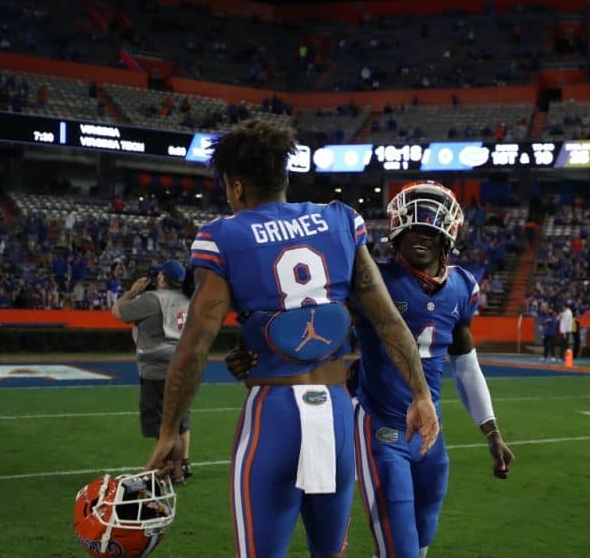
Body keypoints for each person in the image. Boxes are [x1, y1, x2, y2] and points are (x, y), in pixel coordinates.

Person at [143, 120, 439, 558]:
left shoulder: (223, 236)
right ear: (285, 176)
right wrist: (421, 394)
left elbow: (194, 346)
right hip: (336, 411)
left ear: (237, 187)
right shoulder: (340, 220)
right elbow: (388, 320)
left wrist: (170, 431)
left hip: (275, 413)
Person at [229, 180, 514, 558]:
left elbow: (466, 365)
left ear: (447, 236)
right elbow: (316, 317)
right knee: (398, 542)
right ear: (396, 230)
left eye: (430, 228)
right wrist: (258, 347)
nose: (420, 235)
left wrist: (491, 431)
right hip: (380, 424)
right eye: (412, 227)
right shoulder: (373, 280)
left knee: (426, 526)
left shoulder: (461, 286)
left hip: (430, 426)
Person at [113, 260, 195, 483]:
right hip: (184, 365)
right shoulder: (189, 298)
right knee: (177, 423)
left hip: (157, 369)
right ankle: (176, 469)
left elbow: (118, 312)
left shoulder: (151, 299)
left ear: (161, 277)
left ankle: (155, 472)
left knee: (164, 427)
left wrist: (133, 291)